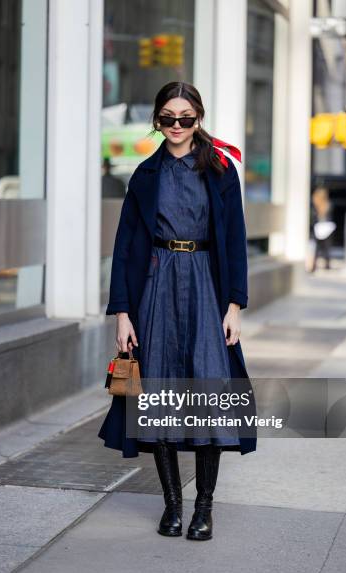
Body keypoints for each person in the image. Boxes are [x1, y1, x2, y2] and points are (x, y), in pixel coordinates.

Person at [98, 81, 257, 541]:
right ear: (157, 119)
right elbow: (124, 246)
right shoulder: (145, 176)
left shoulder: (221, 170)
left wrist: (234, 304)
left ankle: (204, 508)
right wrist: (123, 312)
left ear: (199, 119)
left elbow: (234, 240)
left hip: (207, 283)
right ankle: (172, 506)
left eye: (185, 117)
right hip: (155, 286)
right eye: (167, 117)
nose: (176, 126)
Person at [310, 186, 335, 272]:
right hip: (325, 227)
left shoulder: (315, 204)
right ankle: (326, 264)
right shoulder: (327, 204)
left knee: (316, 247)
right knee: (326, 247)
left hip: (319, 227)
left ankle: (314, 265)